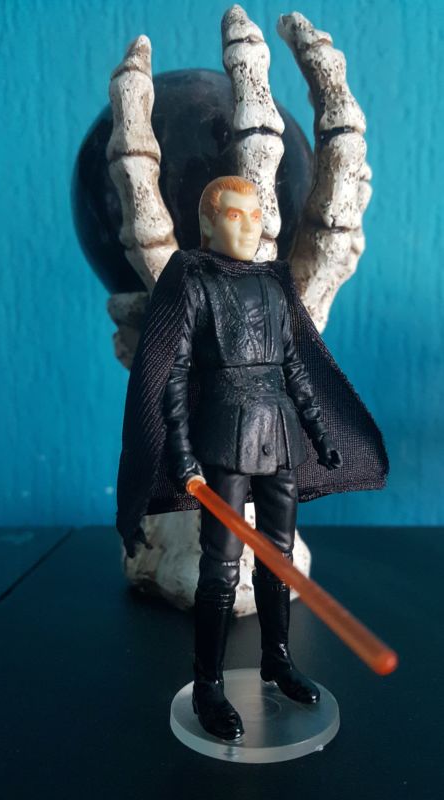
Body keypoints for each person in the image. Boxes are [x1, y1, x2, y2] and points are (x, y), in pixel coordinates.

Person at [115, 176, 388, 742]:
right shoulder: (193, 282)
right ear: (208, 223)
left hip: (281, 434)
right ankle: (208, 684)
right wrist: (182, 453)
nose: (249, 226)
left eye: (256, 214)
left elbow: (295, 367)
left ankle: (277, 660)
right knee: (220, 568)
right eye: (234, 215)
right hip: (224, 439)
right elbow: (174, 375)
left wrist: (318, 432)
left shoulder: (273, 283)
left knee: (278, 560)